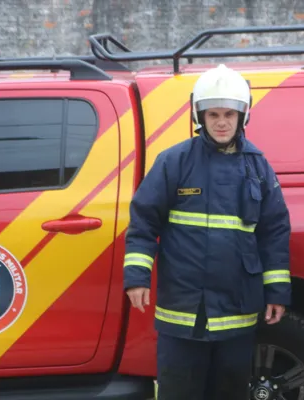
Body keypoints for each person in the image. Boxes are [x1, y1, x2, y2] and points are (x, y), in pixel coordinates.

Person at [122, 64, 292, 400]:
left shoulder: (258, 166)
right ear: (200, 115)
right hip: (183, 311)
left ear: (243, 115)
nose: (221, 122)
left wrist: (277, 292)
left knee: (228, 392)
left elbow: (274, 232)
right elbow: (143, 220)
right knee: (178, 391)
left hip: (237, 310)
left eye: (229, 113)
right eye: (213, 114)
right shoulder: (174, 162)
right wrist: (137, 277)